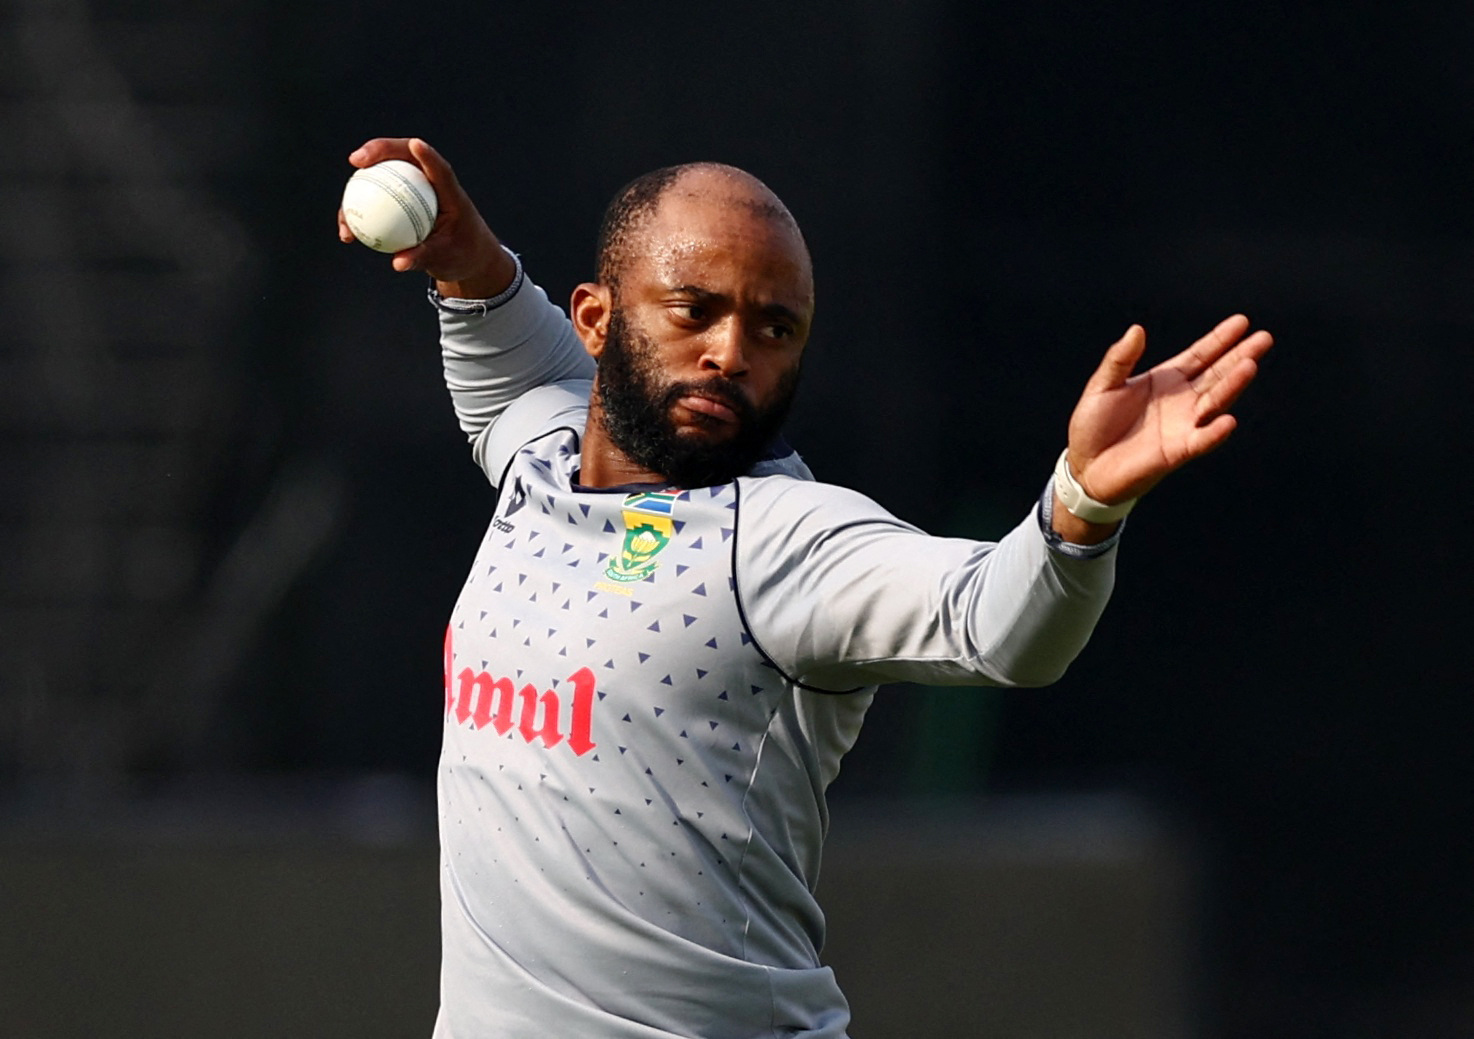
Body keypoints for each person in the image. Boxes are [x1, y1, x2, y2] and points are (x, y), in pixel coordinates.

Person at [339, 137, 1271, 1039]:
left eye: (773, 327)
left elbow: (999, 625)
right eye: (693, 310)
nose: (731, 353)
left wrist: (1079, 502)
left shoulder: (788, 540)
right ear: (596, 318)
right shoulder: (536, 451)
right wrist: (464, 259)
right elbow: (511, 345)